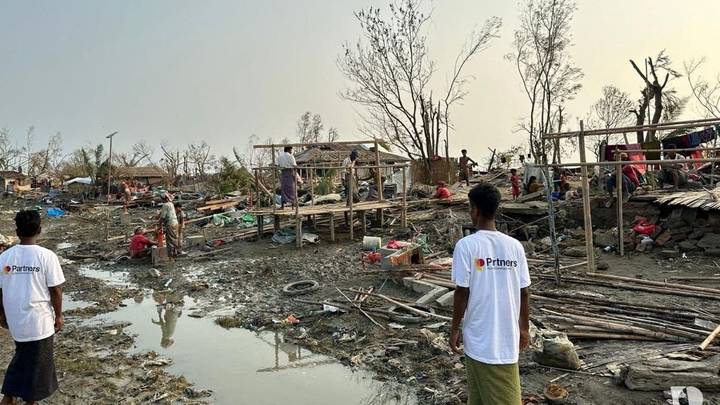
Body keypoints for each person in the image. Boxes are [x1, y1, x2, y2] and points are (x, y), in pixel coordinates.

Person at [449, 182, 531, 405]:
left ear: (475, 210)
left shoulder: (466, 246)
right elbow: (524, 292)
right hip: (498, 337)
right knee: (478, 397)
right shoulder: (515, 246)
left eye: (470, 208)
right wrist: (524, 328)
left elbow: (461, 292)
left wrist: (455, 328)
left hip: (486, 341)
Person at [0, 210, 65, 405]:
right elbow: (56, 291)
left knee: (24, 354)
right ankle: (12, 396)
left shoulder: (5, 257)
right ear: (39, 230)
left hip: (16, 321)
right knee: (37, 365)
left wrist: (1, 315)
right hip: (39, 321)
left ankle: (12, 396)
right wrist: (59, 316)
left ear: (17, 232)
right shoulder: (47, 256)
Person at [158, 193, 179, 258]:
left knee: (170, 239)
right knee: (174, 237)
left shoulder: (165, 205)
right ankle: (176, 251)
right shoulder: (171, 204)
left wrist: (160, 224)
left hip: (170, 223)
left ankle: (171, 254)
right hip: (175, 222)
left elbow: (163, 217)